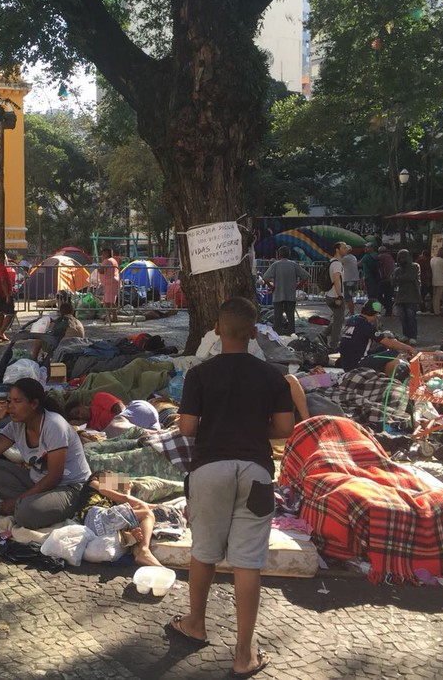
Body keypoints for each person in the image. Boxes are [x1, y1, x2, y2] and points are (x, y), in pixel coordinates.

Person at [171, 297, 293, 678]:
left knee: (203, 551)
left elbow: (188, 428)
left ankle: (195, 624)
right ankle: (243, 654)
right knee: (248, 561)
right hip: (256, 472)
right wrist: (256, 429)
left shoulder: (199, 374)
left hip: (209, 469)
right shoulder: (273, 375)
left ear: (218, 330)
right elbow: (286, 429)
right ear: (254, 332)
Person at [0, 378, 92, 529]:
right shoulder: (16, 426)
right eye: (9, 401)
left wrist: (17, 500)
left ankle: (29, 505)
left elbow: (54, 477)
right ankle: (29, 503)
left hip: (68, 488)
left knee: (25, 514)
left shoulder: (54, 426)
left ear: (34, 404)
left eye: (17, 401)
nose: (11, 407)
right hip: (37, 482)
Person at [86, 471, 164, 567]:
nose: (114, 479)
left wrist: (127, 489)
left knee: (140, 514)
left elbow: (126, 507)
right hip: (96, 517)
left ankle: (136, 546)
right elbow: (125, 498)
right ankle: (143, 551)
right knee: (147, 513)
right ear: (96, 477)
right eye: (109, 474)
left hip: (101, 524)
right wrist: (156, 506)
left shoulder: (111, 502)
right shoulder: (93, 482)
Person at [337, 300, 416, 376]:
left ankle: (379, 373)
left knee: (382, 349)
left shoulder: (352, 320)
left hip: (345, 363)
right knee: (394, 353)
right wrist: (408, 348)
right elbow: (390, 344)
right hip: (358, 365)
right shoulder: (366, 326)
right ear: (375, 314)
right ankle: (389, 379)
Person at [260, 246, 309, 335]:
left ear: (279, 255)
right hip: (290, 296)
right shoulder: (293, 264)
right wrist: (298, 285)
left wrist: (271, 286)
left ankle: (277, 336)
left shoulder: (275, 265)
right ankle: (291, 336)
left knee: (277, 319)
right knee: (291, 319)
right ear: (289, 254)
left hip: (278, 296)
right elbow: (306, 276)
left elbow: (265, 277)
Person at [391, 249, 421, 344]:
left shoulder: (414, 266)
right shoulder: (397, 270)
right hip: (400, 297)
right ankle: (406, 335)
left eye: (403, 257)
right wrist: (398, 278)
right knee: (403, 318)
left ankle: (413, 336)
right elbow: (393, 281)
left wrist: (398, 278)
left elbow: (410, 277)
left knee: (411, 317)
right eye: (399, 258)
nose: (401, 260)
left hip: (411, 296)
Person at [324, 242, 347, 350]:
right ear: (337, 250)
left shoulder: (332, 262)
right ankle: (333, 345)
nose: (346, 249)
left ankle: (323, 335)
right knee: (338, 322)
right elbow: (337, 281)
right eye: (343, 247)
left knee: (339, 319)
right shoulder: (337, 264)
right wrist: (340, 296)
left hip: (331, 294)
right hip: (335, 296)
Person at [99, 247, 120, 323]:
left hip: (109, 282)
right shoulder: (114, 260)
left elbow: (102, 271)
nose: (102, 255)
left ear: (107, 254)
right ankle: (108, 317)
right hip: (114, 281)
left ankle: (114, 317)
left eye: (104, 253)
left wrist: (97, 267)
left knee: (110, 301)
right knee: (109, 301)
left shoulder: (106, 261)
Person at [430, 249, 443, 317]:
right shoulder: (442, 261)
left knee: (435, 296)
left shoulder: (432, 260)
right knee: (439, 297)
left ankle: (435, 310)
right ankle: (437, 312)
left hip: (434, 280)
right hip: (441, 281)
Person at [341, 245, 360, 315]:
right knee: (352, 297)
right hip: (355, 279)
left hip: (348, 280)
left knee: (348, 298)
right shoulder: (353, 257)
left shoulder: (345, 258)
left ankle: (352, 313)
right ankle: (352, 311)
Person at [377, 246, 395, 316]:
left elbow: (379, 267)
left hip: (383, 279)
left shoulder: (380, 257)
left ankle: (386, 307)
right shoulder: (390, 257)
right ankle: (389, 311)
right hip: (390, 279)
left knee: (378, 296)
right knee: (388, 295)